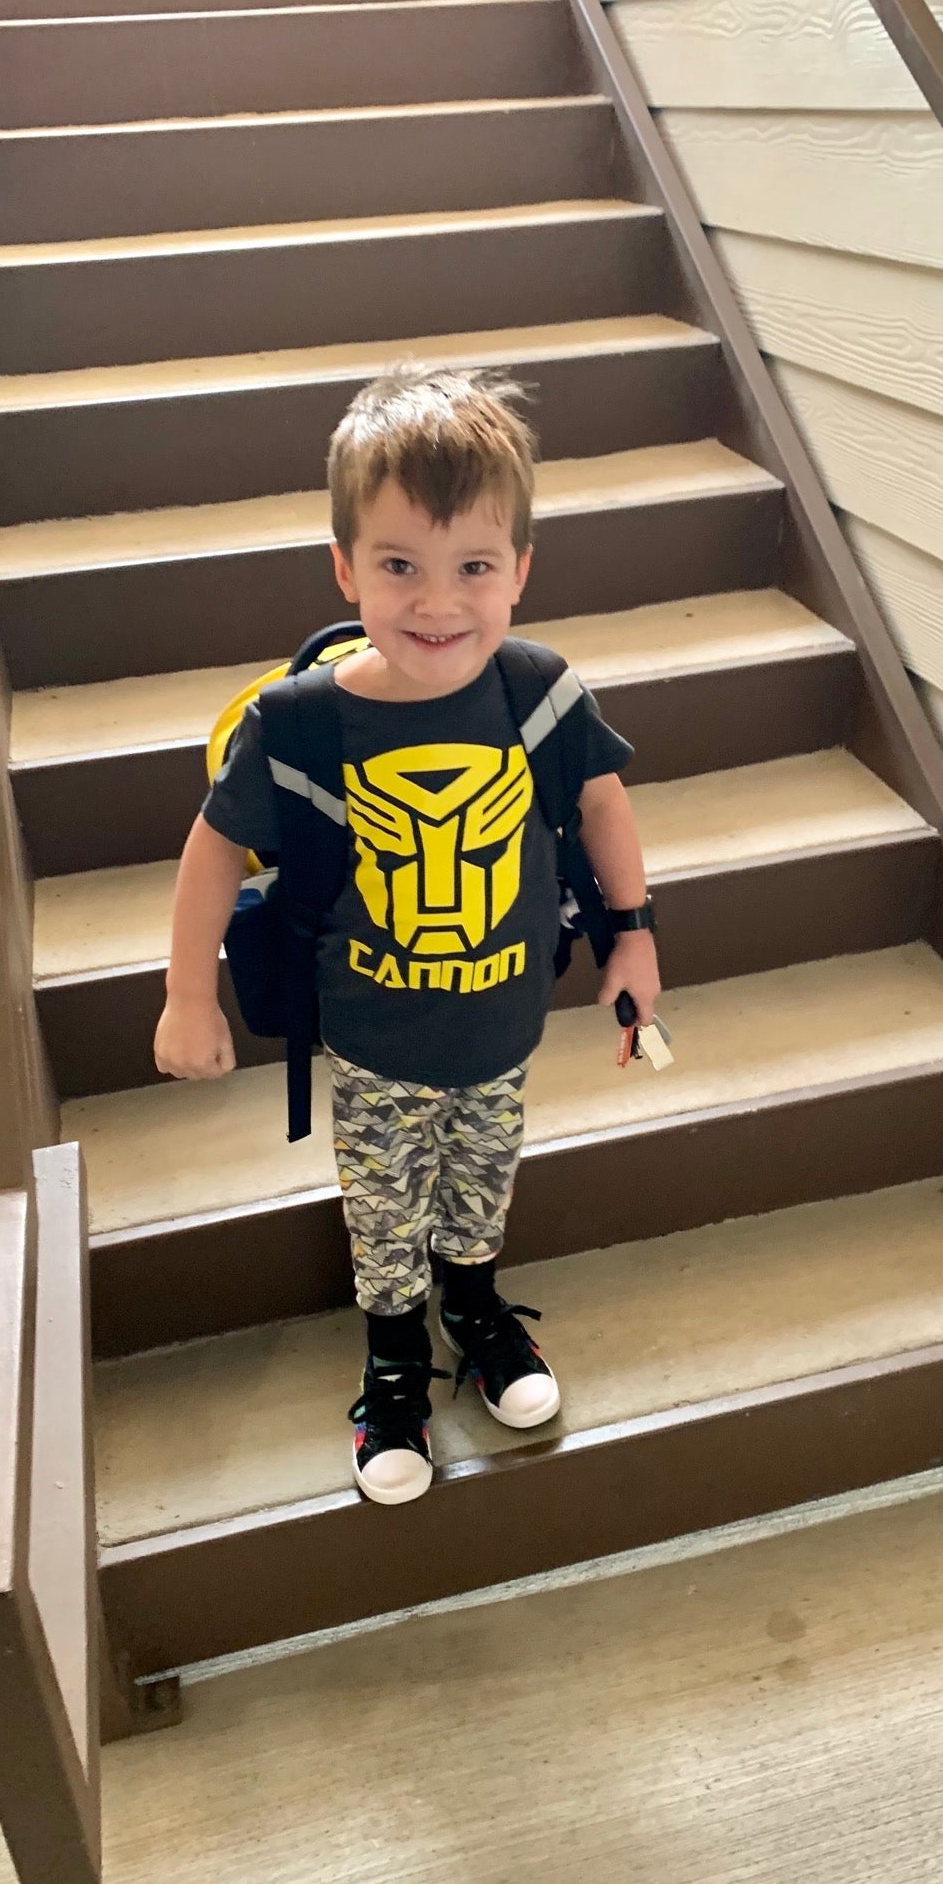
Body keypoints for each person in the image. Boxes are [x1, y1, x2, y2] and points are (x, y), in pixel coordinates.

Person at [153, 368, 662, 1505]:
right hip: (377, 1038)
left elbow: (602, 804)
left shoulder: (540, 694)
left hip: (503, 1026)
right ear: (345, 568)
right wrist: (189, 994)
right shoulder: (300, 726)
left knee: (482, 1179)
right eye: (399, 566)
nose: (440, 602)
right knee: (386, 1208)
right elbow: (210, 852)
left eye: (475, 566)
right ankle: (394, 1360)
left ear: (521, 570)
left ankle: (475, 1304)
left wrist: (633, 936)